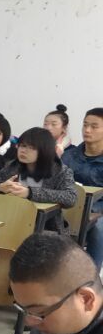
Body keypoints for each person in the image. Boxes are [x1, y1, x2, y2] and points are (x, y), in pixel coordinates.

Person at [0, 127, 76, 233]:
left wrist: (30, 193)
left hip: (46, 229)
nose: (23, 150)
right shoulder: (13, 166)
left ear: (44, 151)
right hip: (11, 222)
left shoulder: (60, 171)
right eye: (22, 145)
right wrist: (0, 186)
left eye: (31, 147)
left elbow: (70, 198)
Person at [63, 108, 103, 268]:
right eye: (85, 125)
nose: (87, 130)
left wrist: (94, 210)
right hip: (69, 205)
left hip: (99, 209)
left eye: (94, 126)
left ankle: (91, 274)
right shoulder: (69, 156)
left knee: (98, 228)